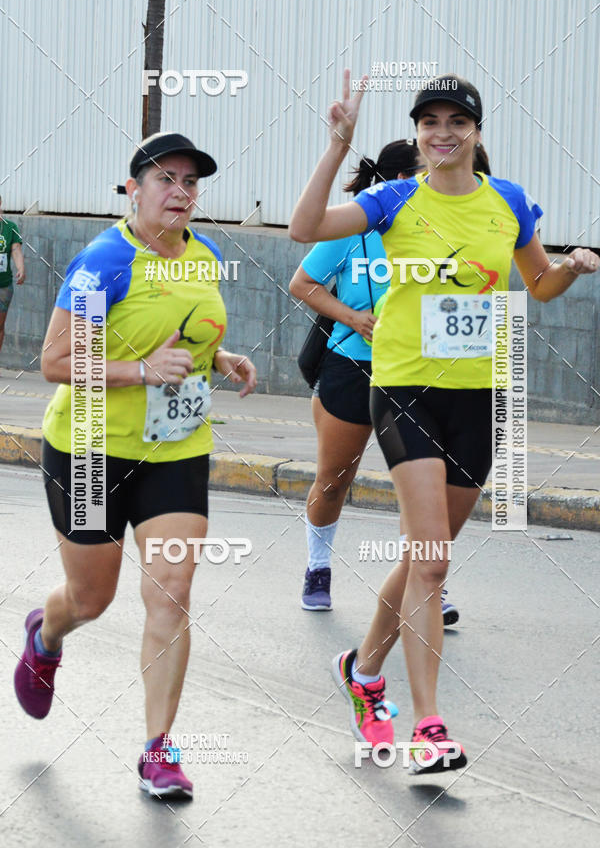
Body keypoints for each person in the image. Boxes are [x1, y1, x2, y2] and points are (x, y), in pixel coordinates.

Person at [289, 71, 599, 773]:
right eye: (429, 122)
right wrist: (337, 146)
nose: (441, 133)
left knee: (423, 556)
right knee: (432, 559)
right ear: (419, 134)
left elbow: (540, 284)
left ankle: (363, 671)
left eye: (456, 121)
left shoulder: (509, 202)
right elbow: (306, 229)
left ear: (477, 131)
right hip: (403, 389)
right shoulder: (395, 198)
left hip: (480, 394)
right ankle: (428, 725)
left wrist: (575, 268)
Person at [13, 132, 257, 799]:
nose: (180, 192)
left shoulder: (202, 258)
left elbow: (191, 333)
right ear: (134, 189)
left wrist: (222, 358)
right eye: (166, 179)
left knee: (172, 589)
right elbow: (56, 362)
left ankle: (159, 748)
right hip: (90, 445)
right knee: (92, 596)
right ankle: (47, 632)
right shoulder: (105, 262)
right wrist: (142, 370)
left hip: (173, 448)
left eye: (191, 183)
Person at [290, 141, 424, 612]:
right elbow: (301, 284)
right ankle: (317, 567)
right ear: (396, 181)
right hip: (351, 366)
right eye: (420, 175)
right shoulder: (353, 227)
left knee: (421, 483)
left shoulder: (435, 229)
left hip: (413, 369)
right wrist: (352, 316)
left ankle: (426, 581)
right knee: (333, 480)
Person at [0, 195, 25, 356]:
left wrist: (21, 267)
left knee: (0, 325)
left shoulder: (10, 227)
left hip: (3, 285)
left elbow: (16, 250)